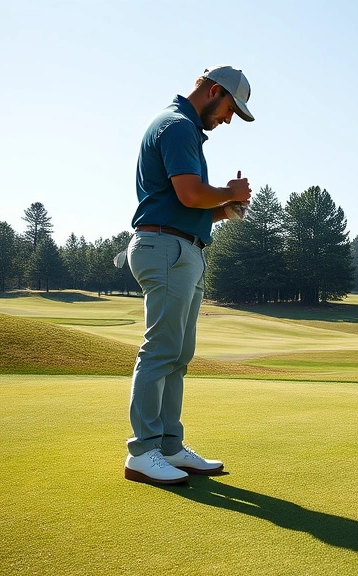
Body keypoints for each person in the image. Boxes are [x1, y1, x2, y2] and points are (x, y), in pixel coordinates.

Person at [123, 65, 255, 485]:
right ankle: (143, 452)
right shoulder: (177, 126)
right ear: (214, 91)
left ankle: (168, 446)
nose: (228, 119)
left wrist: (223, 211)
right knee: (161, 352)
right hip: (165, 248)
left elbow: (191, 206)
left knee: (178, 356)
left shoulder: (185, 130)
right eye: (230, 108)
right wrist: (228, 194)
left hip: (182, 247)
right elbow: (190, 194)